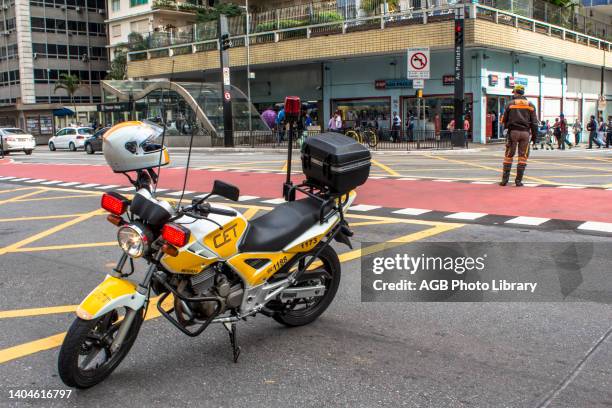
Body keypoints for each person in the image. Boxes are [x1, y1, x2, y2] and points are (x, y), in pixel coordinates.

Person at [499, 85, 539, 187]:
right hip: (525, 134)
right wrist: (535, 137)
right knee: (522, 157)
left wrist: (506, 129)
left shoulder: (510, 104)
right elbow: (534, 123)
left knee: (509, 156)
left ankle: (504, 181)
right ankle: (518, 181)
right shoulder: (531, 105)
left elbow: (503, 120)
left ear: (516, 93)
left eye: (514, 93)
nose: (514, 95)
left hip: (513, 133)